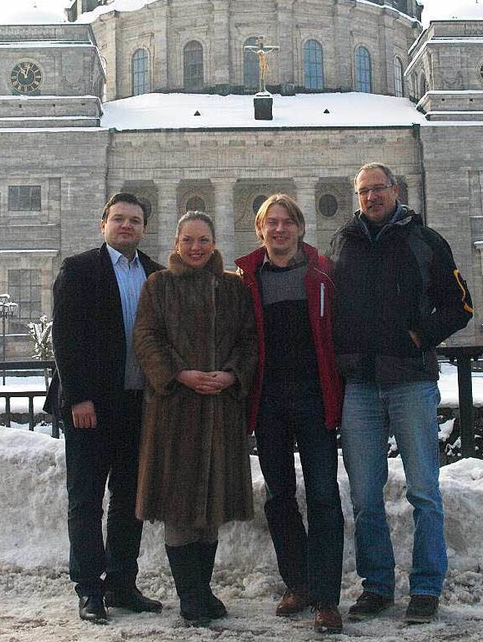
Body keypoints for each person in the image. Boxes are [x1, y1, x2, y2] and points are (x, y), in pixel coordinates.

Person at [327, 163, 473, 624]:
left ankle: (426, 588)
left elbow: (459, 305)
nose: (371, 197)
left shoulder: (425, 240)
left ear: (396, 190)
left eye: (378, 189)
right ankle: (377, 586)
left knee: (424, 491)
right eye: (363, 191)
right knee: (365, 496)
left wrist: (419, 336)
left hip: (410, 380)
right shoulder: (343, 242)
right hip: (361, 385)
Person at [133, 211, 258, 627]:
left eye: (203, 240)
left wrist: (232, 374)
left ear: (214, 241)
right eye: (188, 240)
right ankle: (190, 596)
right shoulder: (159, 286)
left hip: (221, 410)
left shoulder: (233, 287)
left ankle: (201, 590)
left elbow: (249, 341)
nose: (196, 248)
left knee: (212, 508)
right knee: (180, 508)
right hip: (175, 412)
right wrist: (178, 374)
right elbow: (147, 339)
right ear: (176, 242)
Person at [46, 192, 164, 623]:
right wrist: (77, 397)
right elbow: (66, 337)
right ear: (104, 224)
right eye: (119, 219)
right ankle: (89, 588)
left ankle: (121, 582)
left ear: (144, 228)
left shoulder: (155, 273)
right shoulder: (79, 270)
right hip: (89, 408)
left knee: (130, 499)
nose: (127, 225)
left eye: (135, 219)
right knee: (86, 500)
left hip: (137, 406)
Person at [235, 194, 345, 635]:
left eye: (286, 222)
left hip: (316, 399)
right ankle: (296, 583)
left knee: (323, 496)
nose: (279, 230)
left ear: (300, 228)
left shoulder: (322, 274)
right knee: (279, 497)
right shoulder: (247, 280)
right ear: (260, 230)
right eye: (270, 223)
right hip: (269, 403)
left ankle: (326, 597)